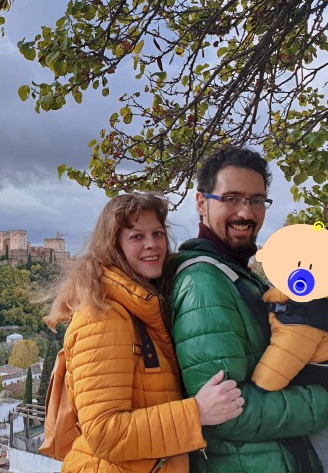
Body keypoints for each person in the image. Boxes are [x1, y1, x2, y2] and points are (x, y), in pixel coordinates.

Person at [168, 146, 328, 473]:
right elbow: (226, 415)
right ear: (201, 203)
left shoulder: (241, 276)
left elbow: (292, 349)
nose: (246, 213)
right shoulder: (205, 283)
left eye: (257, 200)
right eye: (231, 198)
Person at [45, 192, 245, 473]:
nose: (152, 245)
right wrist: (196, 413)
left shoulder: (141, 305)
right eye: (136, 236)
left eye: (158, 233)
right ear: (113, 246)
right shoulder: (103, 317)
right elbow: (105, 433)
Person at [252, 256, 328, 473]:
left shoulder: (300, 311)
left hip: (315, 398)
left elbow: (283, 356)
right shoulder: (319, 305)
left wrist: (259, 387)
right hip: (318, 398)